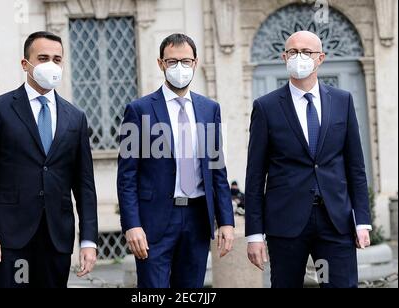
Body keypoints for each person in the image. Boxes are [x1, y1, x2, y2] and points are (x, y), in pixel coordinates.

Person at [0, 31, 99, 288]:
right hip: (10, 238)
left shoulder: (75, 117)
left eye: (57, 59)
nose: (51, 64)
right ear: (25, 64)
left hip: (56, 238)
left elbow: (84, 185)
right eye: (43, 58)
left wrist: (88, 241)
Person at [245, 31, 372, 288]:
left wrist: (363, 221)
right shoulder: (266, 107)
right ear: (284, 57)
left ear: (321, 58)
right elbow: (255, 175)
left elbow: (355, 167)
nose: (299, 57)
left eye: (306, 52)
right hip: (286, 223)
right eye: (293, 52)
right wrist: (254, 234)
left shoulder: (342, 101)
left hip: (335, 220)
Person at [117, 33, 235, 288]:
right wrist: (132, 224)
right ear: (161, 64)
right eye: (172, 62)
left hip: (197, 217)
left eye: (185, 61)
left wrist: (226, 221)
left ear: (195, 63)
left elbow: (217, 169)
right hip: (154, 220)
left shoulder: (209, 109)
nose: (179, 68)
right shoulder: (138, 110)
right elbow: (127, 176)